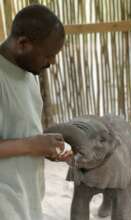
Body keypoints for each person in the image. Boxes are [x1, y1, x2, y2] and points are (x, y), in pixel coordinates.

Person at [0, 4, 71, 220]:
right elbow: (25, 142)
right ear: (23, 43)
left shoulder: (28, 72)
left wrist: (44, 147)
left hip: (27, 199)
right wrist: (32, 145)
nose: (52, 62)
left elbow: (19, 131)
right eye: (48, 55)